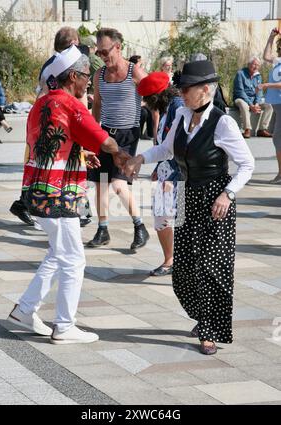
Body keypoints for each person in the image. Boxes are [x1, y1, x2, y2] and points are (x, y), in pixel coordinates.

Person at [124, 60, 254, 355]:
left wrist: (228, 194)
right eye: (180, 89)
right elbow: (166, 149)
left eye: (186, 89)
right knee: (183, 271)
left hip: (214, 201)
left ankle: (209, 331)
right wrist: (141, 159)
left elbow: (248, 164)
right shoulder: (182, 114)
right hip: (186, 195)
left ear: (204, 90)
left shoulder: (223, 122)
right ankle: (203, 316)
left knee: (210, 268)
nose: (181, 94)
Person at [7, 45, 130, 344]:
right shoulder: (71, 104)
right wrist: (122, 155)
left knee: (57, 253)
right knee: (74, 260)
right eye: (86, 76)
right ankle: (64, 326)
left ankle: (25, 310)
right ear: (73, 76)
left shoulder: (41, 103)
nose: (89, 81)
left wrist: (79, 154)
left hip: (37, 191)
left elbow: (53, 143)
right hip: (58, 195)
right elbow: (104, 139)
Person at [10, 26, 91, 227]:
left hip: (48, 125)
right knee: (51, 169)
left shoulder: (56, 64)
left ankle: (78, 211)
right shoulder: (59, 67)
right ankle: (74, 212)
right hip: (53, 127)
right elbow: (61, 99)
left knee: (47, 168)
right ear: (72, 44)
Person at [88, 27, 150, 251]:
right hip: (105, 132)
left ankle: (140, 227)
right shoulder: (99, 75)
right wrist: (93, 134)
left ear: (118, 47)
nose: (103, 57)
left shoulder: (134, 72)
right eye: (99, 53)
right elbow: (97, 105)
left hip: (127, 133)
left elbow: (154, 97)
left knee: (117, 183)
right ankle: (102, 229)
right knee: (100, 183)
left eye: (106, 52)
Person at [137, 71, 184, 276]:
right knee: (163, 216)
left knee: (175, 217)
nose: (146, 105)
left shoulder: (177, 108)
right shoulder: (167, 108)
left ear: (157, 96)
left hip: (179, 173)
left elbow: (179, 145)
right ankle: (172, 259)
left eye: (148, 100)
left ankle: (176, 261)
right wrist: (158, 167)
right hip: (168, 170)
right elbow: (166, 144)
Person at [259, 27, 281, 184]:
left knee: (278, 138)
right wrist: (271, 37)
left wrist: (267, 85)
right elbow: (266, 55)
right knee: (278, 138)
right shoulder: (278, 61)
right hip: (277, 104)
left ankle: (280, 174)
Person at [233, 57, 273, 138]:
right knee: (243, 105)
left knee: (269, 105)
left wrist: (257, 103)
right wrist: (251, 105)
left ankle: (262, 129)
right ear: (248, 65)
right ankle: (247, 129)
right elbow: (240, 92)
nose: (256, 67)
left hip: (253, 101)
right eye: (254, 64)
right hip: (241, 98)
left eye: (258, 65)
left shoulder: (258, 76)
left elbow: (259, 91)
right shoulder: (240, 74)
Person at [129, 55, 154, 140]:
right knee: (144, 112)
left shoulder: (141, 74)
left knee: (150, 110)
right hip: (132, 104)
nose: (142, 66)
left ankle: (150, 134)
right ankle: (137, 134)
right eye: (140, 64)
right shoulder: (130, 76)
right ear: (135, 64)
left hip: (140, 102)